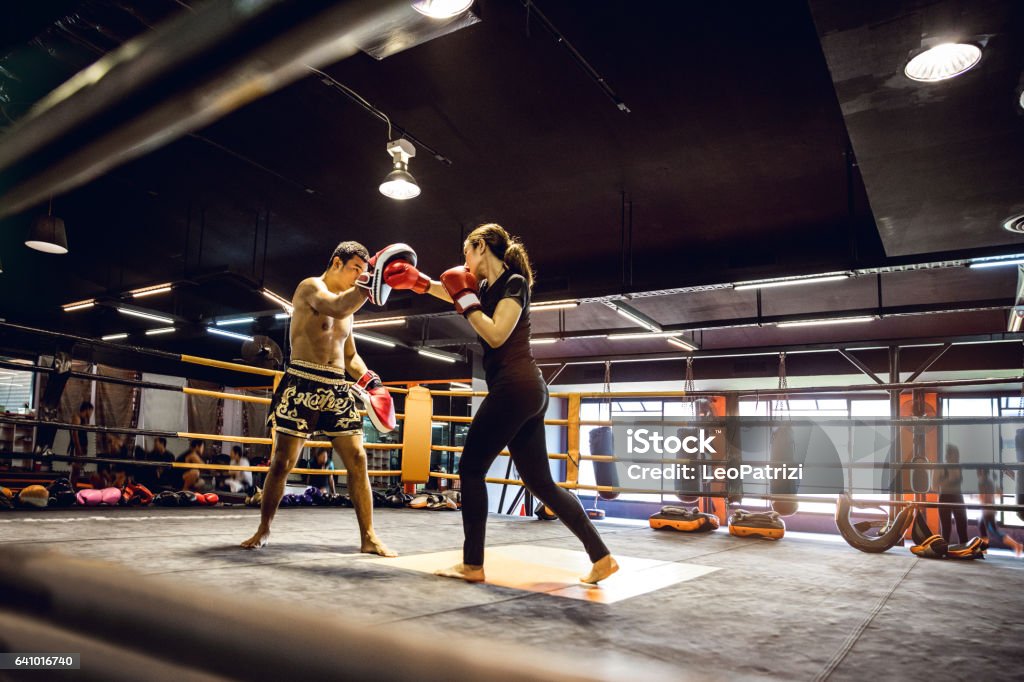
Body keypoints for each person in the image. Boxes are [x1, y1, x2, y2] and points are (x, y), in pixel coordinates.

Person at [384, 223, 618, 583]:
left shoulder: (514, 284)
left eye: (466, 253)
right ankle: (601, 557)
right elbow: (450, 290)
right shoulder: (483, 288)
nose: (464, 262)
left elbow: (495, 333)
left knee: (471, 470)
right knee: (540, 483)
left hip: (515, 387)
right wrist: (418, 282)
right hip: (526, 390)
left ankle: (472, 564)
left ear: (480, 247)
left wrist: (467, 304)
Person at [241, 240, 400, 556]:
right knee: (283, 462)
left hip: (336, 387)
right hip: (302, 382)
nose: (359, 276)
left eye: (364, 272)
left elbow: (351, 354)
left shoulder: (351, 308)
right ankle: (264, 528)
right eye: (356, 268)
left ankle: (368, 536)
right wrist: (370, 284)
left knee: (358, 459)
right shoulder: (310, 288)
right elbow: (337, 306)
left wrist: (373, 382)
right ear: (337, 263)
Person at [976, 468, 1022, 557]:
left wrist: (975, 497)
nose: (977, 473)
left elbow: (982, 497)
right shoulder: (990, 481)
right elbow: (998, 493)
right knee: (982, 527)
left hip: (987, 511)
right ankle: (984, 551)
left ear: (981, 471)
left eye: (977, 471)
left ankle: (1016, 545)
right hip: (989, 510)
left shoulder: (982, 482)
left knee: (994, 532)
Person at [934, 444, 968, 544]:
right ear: (948, 455)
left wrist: (952, 479)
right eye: (955, 454)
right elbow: (934, 486)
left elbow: (960, 481)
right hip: (945, 497)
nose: (957, 456)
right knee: (946, 528)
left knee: (962, 526)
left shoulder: (958, 466)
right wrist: (948, 480)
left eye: (958, 454)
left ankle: (964, 551)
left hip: (958, 496)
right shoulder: (940, 467)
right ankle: (944, 551)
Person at [67, 400, 93, 486]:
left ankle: (72, 487)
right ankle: (71, 487)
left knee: (77, 470)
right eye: (91, 411)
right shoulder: (77, 417)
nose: (91, 413)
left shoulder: (83, 419)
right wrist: (78, 448)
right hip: (77, 446)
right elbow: (74, 433)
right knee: (75, 469)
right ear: (87, 409)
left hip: (82, 445)